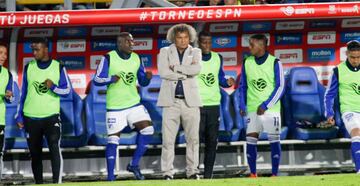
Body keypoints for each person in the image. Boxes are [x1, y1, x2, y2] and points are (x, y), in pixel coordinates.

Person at [93, 32, 154, 181]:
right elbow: (97, 79)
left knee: (148, 129)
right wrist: (111, 79)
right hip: (115, 107)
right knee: (113, 140)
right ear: (119, 43)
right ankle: (110, 178)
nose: (131, 44)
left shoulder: (137, 58)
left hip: (134, 104)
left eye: (132, 41)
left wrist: (146, 79)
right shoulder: (108, 57)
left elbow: (142, 81)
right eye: (128, 41)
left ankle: (134, 164)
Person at [15, 37, 70, 184]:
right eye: (32, 49)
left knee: (54, 147)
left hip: (51, 116)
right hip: (31, 117)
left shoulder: (58, 67)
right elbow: (24, 93)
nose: (33, 53)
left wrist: (53, 87)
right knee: (35, 154)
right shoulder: (29, 67)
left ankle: (56, 182)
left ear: (46, 49)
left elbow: (67, 91)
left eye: (36, 49)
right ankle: (38, 183)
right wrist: (19, 115)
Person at [157, 23, 202, 180]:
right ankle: (167, 172)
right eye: (179, 38)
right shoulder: (164, 51)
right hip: (171, 102)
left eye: (185, 38)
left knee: (193, 139)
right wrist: (184, 73)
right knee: (168, 140)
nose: (183, 41)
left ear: (190, 38)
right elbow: (163, 72)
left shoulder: (196, 51)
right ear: (173, 39)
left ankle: (192, 171)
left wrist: (176, 68)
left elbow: (196, 70)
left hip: (191, 102)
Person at [239, 34, 284, 177]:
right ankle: (253, 174)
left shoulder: (275, 62)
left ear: (262, 45)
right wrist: (242, 105)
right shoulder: (247, 62)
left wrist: (266, 105)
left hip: (271, 110)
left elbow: (281, 87)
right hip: (252, 109)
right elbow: (243, 86)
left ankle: (274, 174)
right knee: (250, 140)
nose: (249, 47)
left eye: (252, 44)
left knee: (274, 140)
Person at [197, 31, 235, 179]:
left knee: (212, 141)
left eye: (209, 42)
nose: (206, 45)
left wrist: (227, 82)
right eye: (203, 42)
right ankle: (193, 172)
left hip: (213, 105)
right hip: (197, 105)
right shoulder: (192, 58)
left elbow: (219, 77)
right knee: (196, 142)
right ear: (198, 44)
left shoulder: (217, 57)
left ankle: (208, 175)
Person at [324, 40, 360, 174]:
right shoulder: (338, 70)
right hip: (349, 110)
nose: (355, 60)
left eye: (358, 57)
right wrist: (329, 113)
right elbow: (329, 95)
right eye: (352, 57)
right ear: (347, 55)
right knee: (356, 132)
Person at [0, 43, 14, 180]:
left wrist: (9, 96)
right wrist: (3, 93)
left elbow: (10, 98)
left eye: (5, 54)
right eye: (0, 53)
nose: (3, 56)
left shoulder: (7, 74)